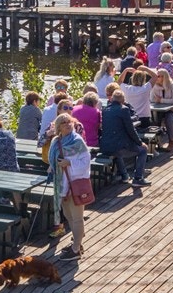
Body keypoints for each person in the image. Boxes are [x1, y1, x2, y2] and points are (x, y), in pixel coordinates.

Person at [47, 113, 90, 259]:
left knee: (77, 217)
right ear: (58, 127)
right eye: (64, 122)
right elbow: (52, 158)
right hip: (60, 183)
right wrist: (52, 167)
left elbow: (86, 163)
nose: (67, 124)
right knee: (68, 215)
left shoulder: (77, 141)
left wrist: (69, 163)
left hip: (74, 183)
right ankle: (77, 242)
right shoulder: (55, 141)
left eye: (69, 121)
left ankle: (76, 249)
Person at [100, 89, 150, 187]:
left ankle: (124, 175)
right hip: (118, 146)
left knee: (117, 150)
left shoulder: (105, 110)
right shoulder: (124, 109)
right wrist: (140, 143)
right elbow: (131, 130)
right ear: (123, 101)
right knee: (143, 150)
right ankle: (138, 178)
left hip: (105, 146)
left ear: (112, 99)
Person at [149, 68, 173, 149]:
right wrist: (158, 101)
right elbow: (151, 99)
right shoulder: (154, 86)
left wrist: (161, 100)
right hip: (159, 110)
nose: (157, 78)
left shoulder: (171, 86)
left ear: (164, 77)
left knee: (168, 118)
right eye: (156, 76)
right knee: (154, 119)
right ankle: (155, 142)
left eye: (159, 76)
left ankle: (171, 141)